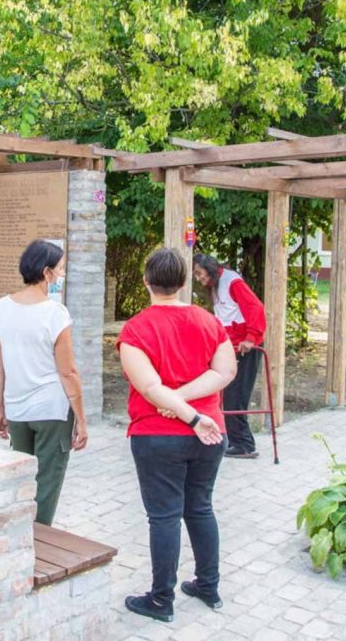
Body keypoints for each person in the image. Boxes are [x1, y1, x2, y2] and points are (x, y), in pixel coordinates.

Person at [118, 247, 237, 623]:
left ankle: (160, 599)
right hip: (209, 431)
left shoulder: (135, 329)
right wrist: (195, 414)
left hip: (158, 435)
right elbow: (225, 371)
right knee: (200, 507)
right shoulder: (208, 322)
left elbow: (151, 388)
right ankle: (208, 585)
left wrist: (177, 406)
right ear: (185, 282)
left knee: (164, 516)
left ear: (145, 282)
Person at [0, 240, 87, 526]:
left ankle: (18, 541)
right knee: (45, 485)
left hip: (17, 410)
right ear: (46, 273)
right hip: (52, 411)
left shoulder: (2, 307)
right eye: (59, 270)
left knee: (21, 481)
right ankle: (41, 544)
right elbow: (68, 372)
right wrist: (80, 419)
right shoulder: (55, 313)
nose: (61, 275)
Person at [192, 253, 266, 459]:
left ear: (209, 268)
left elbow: (256, 308)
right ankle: (233, 439)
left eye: (200, 273)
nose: (199, 278)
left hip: (245, 347)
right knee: (225, 392)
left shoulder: (232, 282)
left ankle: (244, 444)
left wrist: (251, 337)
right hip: (230, 346)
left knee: (236, 394)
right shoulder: (216, 285)